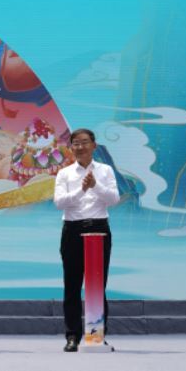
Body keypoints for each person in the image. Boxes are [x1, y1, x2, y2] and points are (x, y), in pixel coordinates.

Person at [53, 128, 120, 352]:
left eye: (84, 142)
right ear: (71, 148)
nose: (80, 147)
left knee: (98, 285)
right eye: (76, 143)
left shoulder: (105, 170)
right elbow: (59, 202)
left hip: (99, 228)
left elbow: (114, 199)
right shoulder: (64, 173)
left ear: (94, 145)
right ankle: (72, 336)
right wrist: (81, 190)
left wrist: (95, 186)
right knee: (72, 285)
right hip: (72, 229)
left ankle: (97, 334)